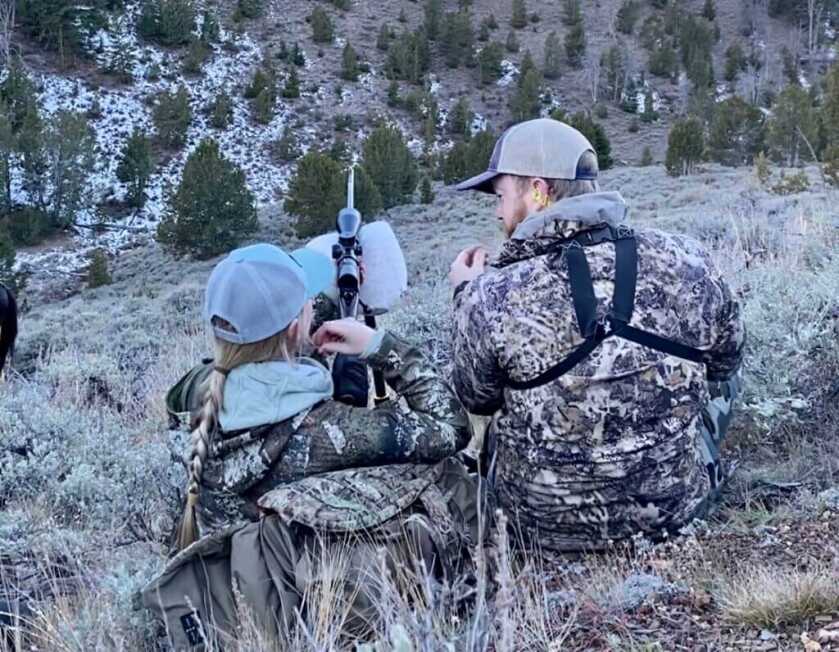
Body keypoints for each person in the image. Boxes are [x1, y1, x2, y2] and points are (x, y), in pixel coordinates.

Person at [141, 243, 486, 648]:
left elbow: (266, 352)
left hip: (237, 591)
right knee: (443, 473)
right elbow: (449, 426)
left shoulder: (197, 393)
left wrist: (340, 297)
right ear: (293, 328)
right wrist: (380, 347)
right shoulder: (326, 433)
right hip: (305, 609)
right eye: (305, 304)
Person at [448, 118, 745, 553]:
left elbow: (476, 397)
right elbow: (727, 362)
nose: (496, 212)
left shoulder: (491, 293)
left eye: (500, 196)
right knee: (719, 374)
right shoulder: (687, 258)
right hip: (673, 508)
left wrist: (464, 294)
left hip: (539, 526)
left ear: (537, 191)